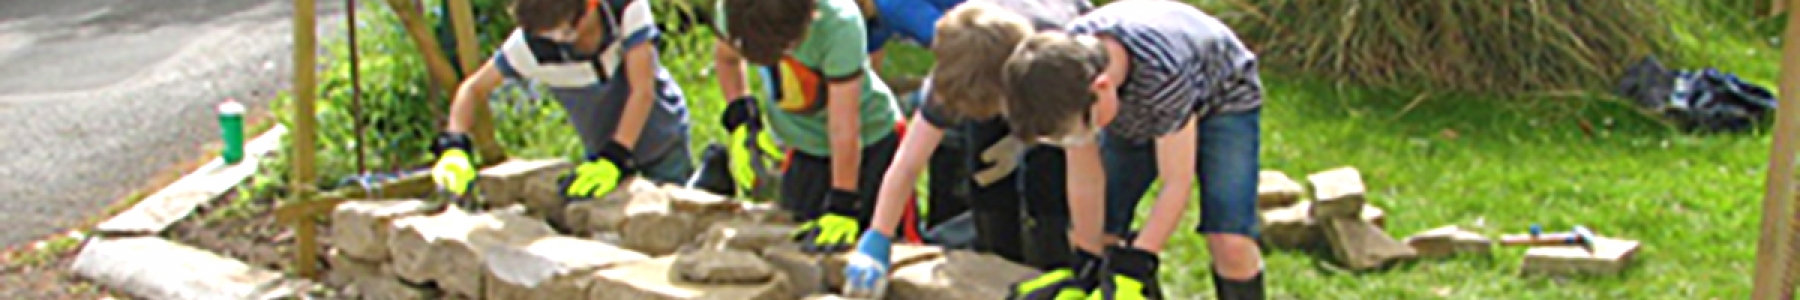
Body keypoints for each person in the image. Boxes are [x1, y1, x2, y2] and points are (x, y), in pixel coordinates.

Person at [997, 0, 1268, 299]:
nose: (1082, 139)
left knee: (1229, 241)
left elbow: (1176, 182)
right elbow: (1086, 179)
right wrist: (1088, 257)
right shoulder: (1064, 76)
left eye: (1085, 130)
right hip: (1131, 105)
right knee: (1103, 234)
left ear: (1101, 88)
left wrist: (1139, 260)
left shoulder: (1163, 73)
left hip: (1223, 99)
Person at [835, 1, 1097, 298]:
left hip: (1056, 82)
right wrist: (878, 236)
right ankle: (998, 262)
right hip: (999, 69)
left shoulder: (1053, 63)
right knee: (984, 172)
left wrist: (1026, 142)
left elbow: (1084, 162)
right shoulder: (955, 74)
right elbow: (907, 163)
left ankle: (1057, 264)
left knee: (1046, 179)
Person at [430, 0, 695, 205]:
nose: (562, 41)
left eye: (567, 31)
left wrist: (617, 156)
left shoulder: (625, 9)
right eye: (550, 36)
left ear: (590, 5)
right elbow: (472, 90)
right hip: (601, 150)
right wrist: (455, 146)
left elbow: (642, 91)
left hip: (662, 140)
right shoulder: (531, 47)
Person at [712, 0, 907, 253]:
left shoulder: (839, 23)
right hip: (804, 147)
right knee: (800, 236)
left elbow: (844, 127)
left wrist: (843, 204)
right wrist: (741, 120)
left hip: (870, 144)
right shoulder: (736, 11)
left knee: (880, 246)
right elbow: (726, 59)